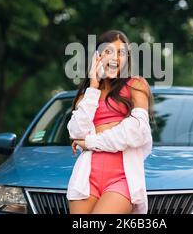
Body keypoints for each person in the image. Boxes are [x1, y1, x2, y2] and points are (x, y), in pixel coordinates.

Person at [66, 29, 153, 214]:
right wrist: (93, 86)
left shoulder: (136, 85)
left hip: (122, 177)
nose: (115, 57)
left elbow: (136, 132)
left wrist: (90, 141)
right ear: (97, 56)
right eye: (108, 51)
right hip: (87, 178)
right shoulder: (87, 94)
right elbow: (75, 132)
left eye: (121, 52)